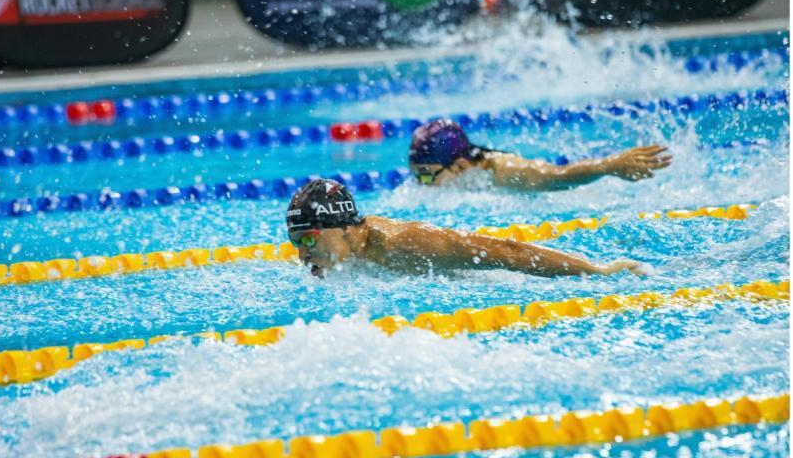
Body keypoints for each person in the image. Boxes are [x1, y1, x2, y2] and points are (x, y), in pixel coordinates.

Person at [286, 179, 646, 278]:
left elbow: (508, 253)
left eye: (308, 239)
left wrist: (596, 271)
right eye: (295, 242)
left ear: (344, 228)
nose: (302, 254)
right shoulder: (331, 264)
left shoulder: (409, 242)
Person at [409, 119, 672, 189]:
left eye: (426, 176)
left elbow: (557, 175)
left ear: (461, 165)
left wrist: (609, 165)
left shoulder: (506, 170)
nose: (421, 184)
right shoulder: (466, 178)